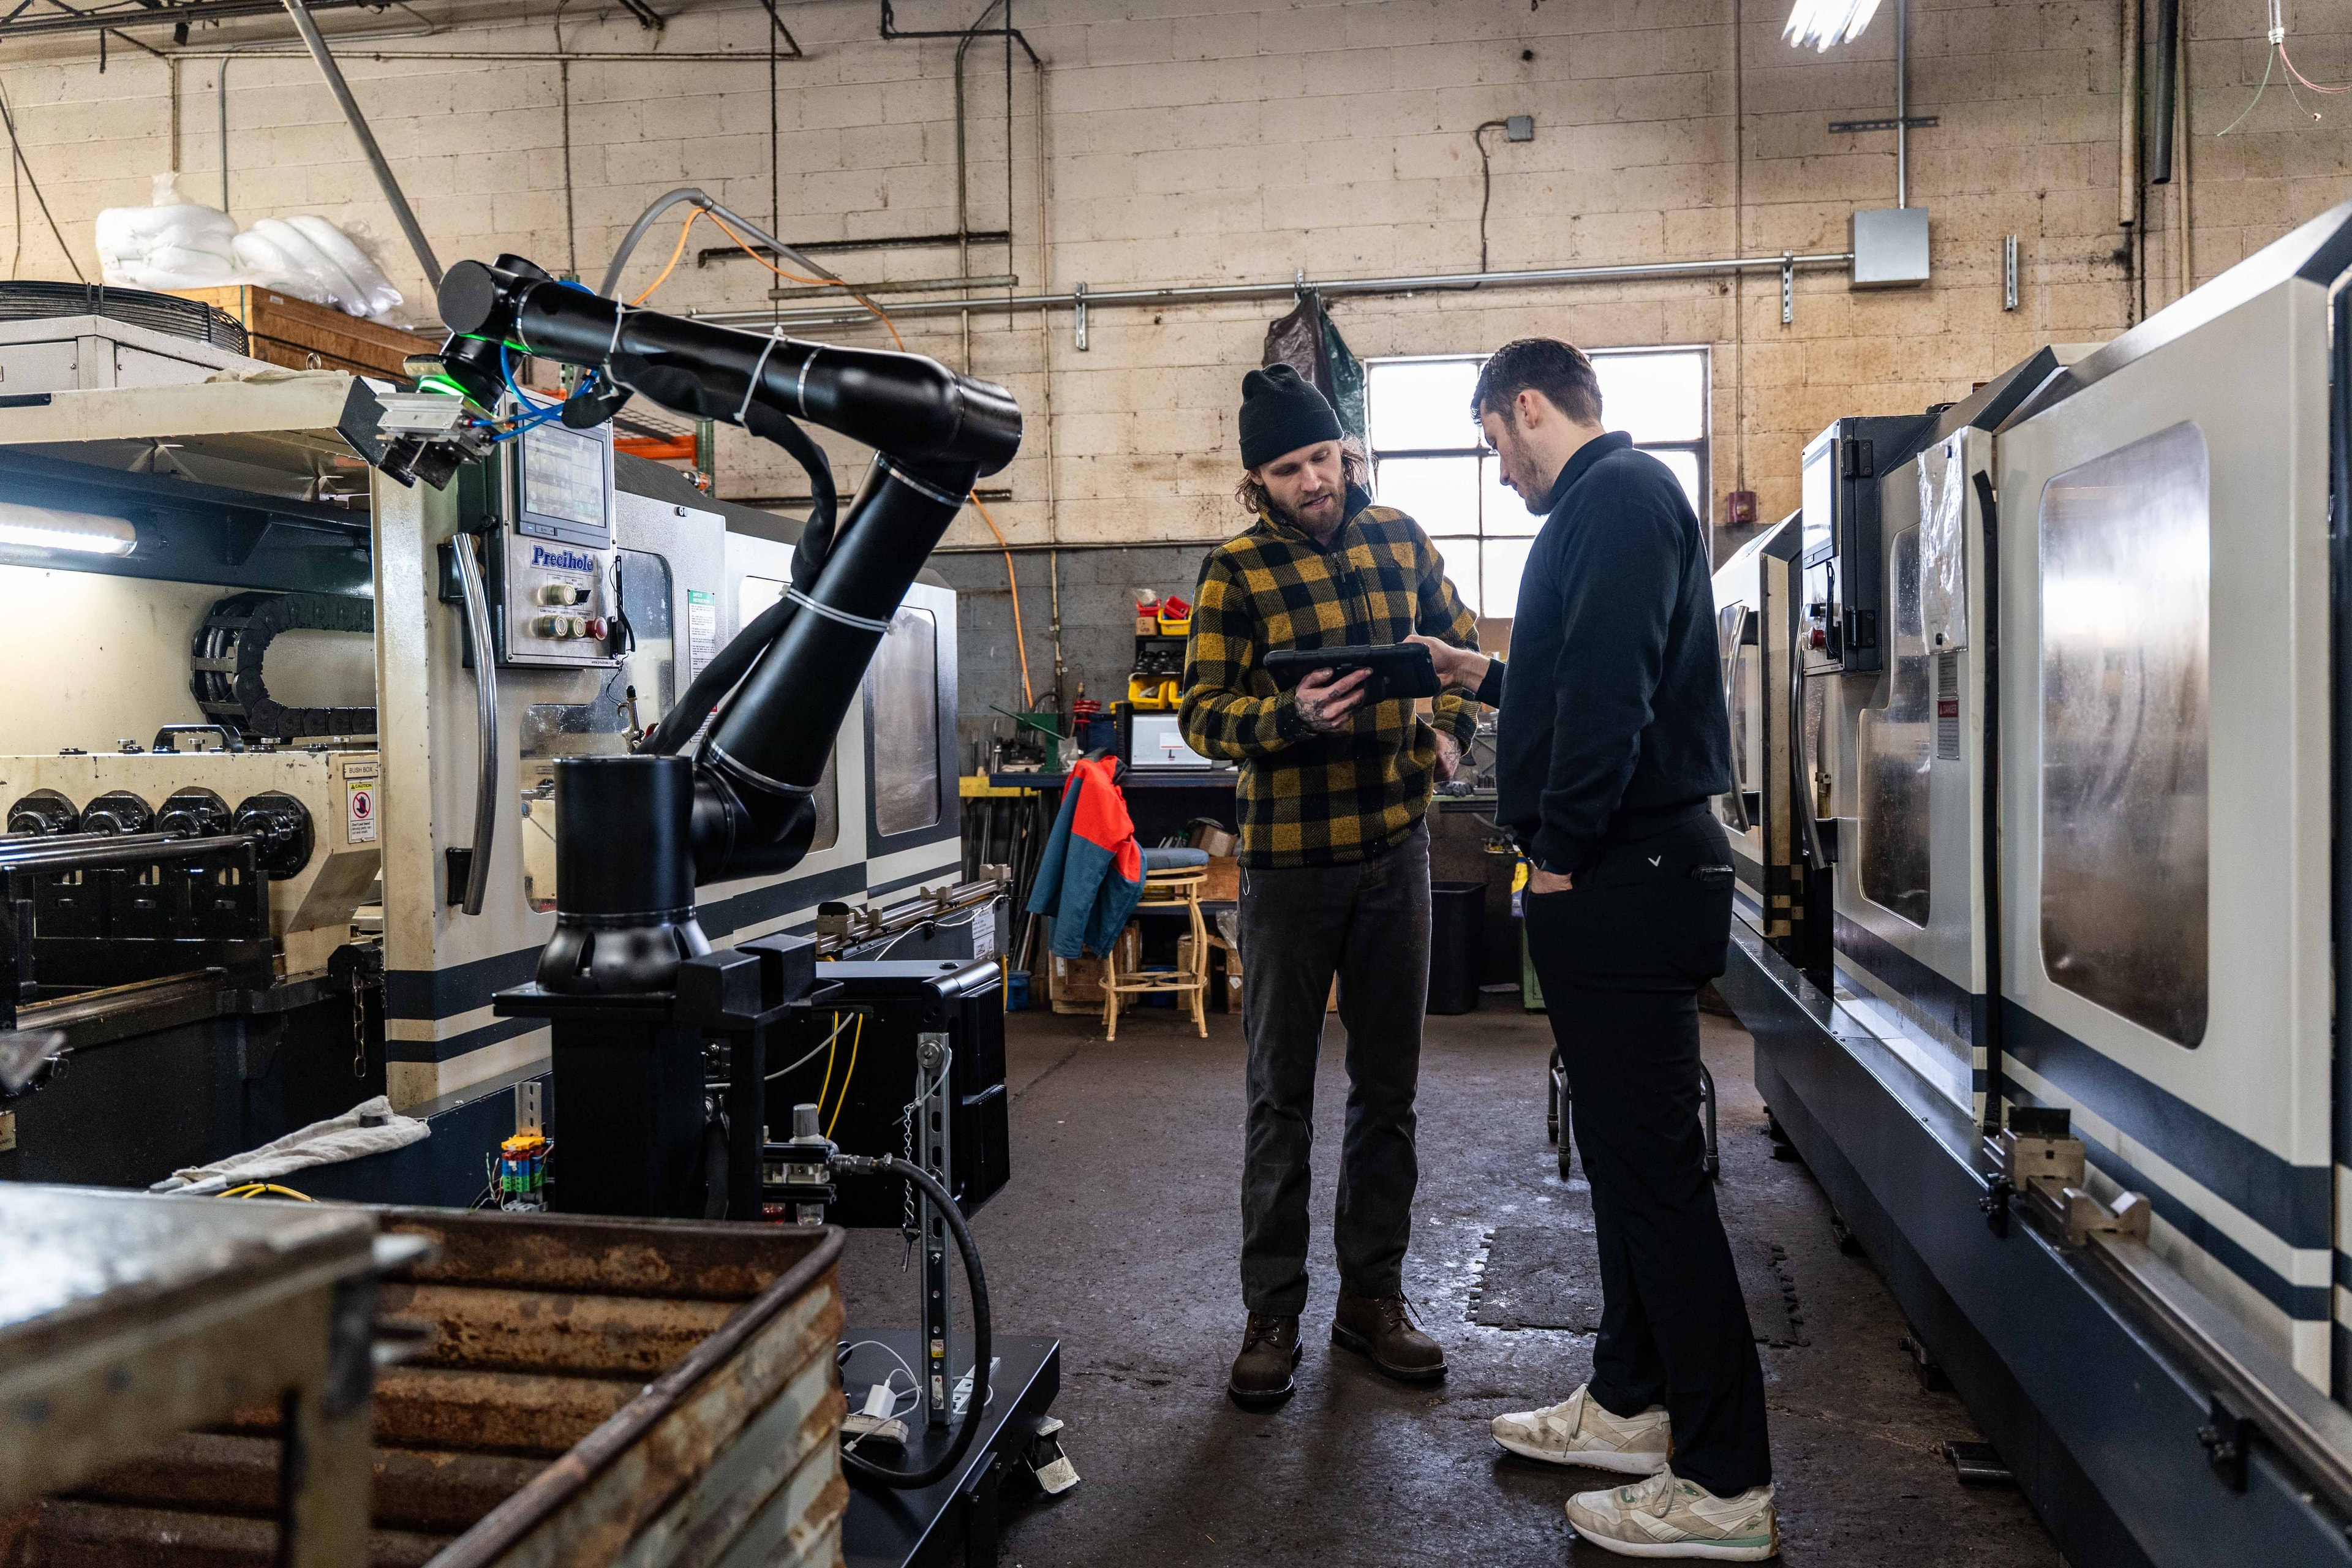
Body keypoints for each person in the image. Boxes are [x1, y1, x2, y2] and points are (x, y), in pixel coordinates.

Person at [1408, 338, 1777, 1561]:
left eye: (1491, 443)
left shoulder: (1615, 497)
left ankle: (1725, 1482)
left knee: (1658, 1181)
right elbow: (1583, 678)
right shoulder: (1612, 506)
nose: (1498, 468)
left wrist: (1558, 846)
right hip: (1629, 868)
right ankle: (1631, 1404)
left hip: (1627, 869)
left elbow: (1614, 692)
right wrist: (1493, 674)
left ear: (1524, 409)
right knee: (1628, 1168)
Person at [1178, 363, 1483, 1410]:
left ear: (1345, 453)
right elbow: (1201, 714)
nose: (1312, 481)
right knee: (1280, 1100)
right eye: (1286, 470)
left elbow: (1463, 652)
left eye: (1321, 458)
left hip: (1396, 853)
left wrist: (1450, 733)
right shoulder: (1233, 573)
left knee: (1388, 1091)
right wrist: (1288, 720)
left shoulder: (1402, 538)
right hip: (1290, 872)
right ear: (1255, 481)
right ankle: (1272, 1313)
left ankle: (1373, 1301)